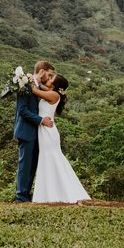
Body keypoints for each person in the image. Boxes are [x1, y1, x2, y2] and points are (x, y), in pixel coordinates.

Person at [30, 73, 90, 204]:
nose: (48, 79)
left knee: (50, 158)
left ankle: (54, 194)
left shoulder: (54, 95)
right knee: (49, 158)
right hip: (46, 130)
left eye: (51, 78)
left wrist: (23, 79)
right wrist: (34, 78)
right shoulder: (52, 92)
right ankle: (49, 193)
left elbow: (34, 90)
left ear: (54, 85)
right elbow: (39, 86)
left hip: (48, 132)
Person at [14, 60, 55, 202]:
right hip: (26, 130)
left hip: (37, 133)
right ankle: (20, 196)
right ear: (42, 71)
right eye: (49, 75)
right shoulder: (24, 84)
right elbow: (23, 110)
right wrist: (40, 120)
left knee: (32, 165)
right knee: (25, 165)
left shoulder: (37, 87)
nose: (49, 78)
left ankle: (26, 193)